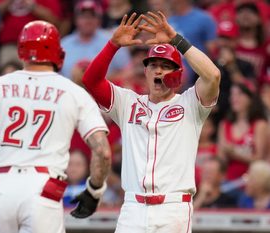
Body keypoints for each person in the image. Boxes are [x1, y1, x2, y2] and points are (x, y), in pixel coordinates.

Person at [0, 20, 111, 233]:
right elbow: (102, 150)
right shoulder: (74, 92)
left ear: (21, 51)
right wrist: (94, 191)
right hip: (42, 187)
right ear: (59, 54)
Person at [82, 11, 221, 232]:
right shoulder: (127, 102)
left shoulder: (191, 103)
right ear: (145, 71)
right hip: (132, 208)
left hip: (172, 208)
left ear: (179, 73)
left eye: (166, 65)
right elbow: (90, 80)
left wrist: (177, 41)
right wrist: (113, 45)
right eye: (153, 64)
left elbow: (212, 75)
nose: (158, 70)